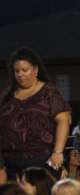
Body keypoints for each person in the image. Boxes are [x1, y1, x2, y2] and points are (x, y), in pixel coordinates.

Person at [0, 48, 71, 180]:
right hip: (11, 163)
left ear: (35, 69)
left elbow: (64, 121)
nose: (20, 74)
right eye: (17, 71)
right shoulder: (7, 95)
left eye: (24, 70)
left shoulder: (49, 92)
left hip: (42, 161)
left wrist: (58, 152)